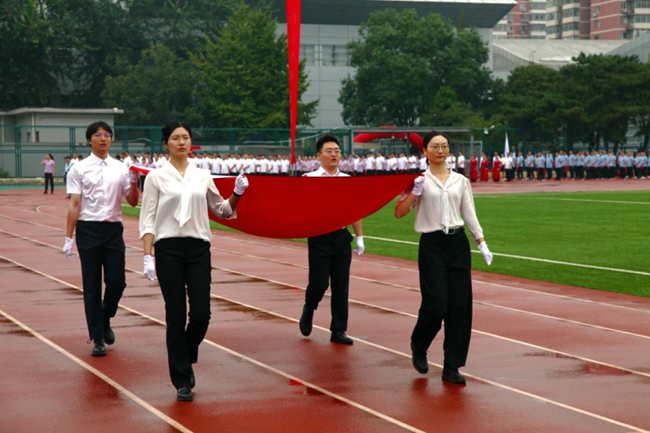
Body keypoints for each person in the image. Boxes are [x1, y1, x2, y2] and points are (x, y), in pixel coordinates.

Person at [139, 121, 248, 402]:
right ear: (166, 143)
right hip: (168, 250)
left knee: (201, 314)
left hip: (198, 249)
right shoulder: (155, 178)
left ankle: (185, 355)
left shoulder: (203, 175)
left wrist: (237, 193)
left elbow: (222, 211)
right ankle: (181, 379)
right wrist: (147, 255)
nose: (181, 142)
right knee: (175, 315)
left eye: (185, 137)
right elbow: (147, 219)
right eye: (175, 138)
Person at [394, 131, 492, 385]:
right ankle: (419, 343)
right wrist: (415, 193)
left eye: (444, 146)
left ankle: (452, 365)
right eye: (435, 146)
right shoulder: (418, 180)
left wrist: (481, 241)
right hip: (432, 245)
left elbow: (469, 212)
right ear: (424, 151)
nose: (440, 150)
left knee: (459, 306)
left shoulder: (460, 180)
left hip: (457, 244)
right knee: (436, 303)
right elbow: (399, 212)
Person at [62, 121, 140, 357]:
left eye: (107, 134)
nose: (103, 138)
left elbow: (133, 202)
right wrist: (68, 237)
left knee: (117, 283)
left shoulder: (120, 168)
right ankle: (97, 337)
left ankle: (105, 316)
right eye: (98, 135)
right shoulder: (79, 169)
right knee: (92, 284)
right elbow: (75, 203)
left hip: (113, 230)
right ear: (89, 140)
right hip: (88, 230)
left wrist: (134, 181)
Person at [299, 135, 364, 346]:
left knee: (341, 285)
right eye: (329, 151)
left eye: (337, 151)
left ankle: (338, 329)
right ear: (319, 155)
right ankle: (310, 307)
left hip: (341, 238)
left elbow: (354, 210)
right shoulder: (309, 179)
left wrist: (360, 237)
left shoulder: (347, 180)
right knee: (319, 283)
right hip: (319, 237)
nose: (334, 154)